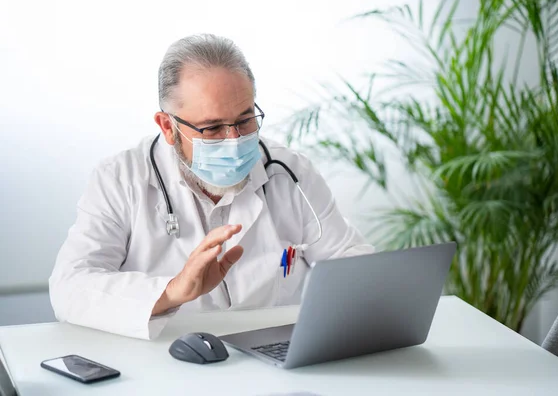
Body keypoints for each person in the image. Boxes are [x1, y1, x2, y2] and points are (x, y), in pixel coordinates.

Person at [49, 34, 374, 340]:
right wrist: (172, 291)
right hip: (172, 361)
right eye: (213, 127)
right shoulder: (121, 179)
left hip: (276, 354)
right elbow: (69, 288)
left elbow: (349, 261)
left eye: (245, 120)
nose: (234, 140)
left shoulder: (290, 171)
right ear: (168, 126)